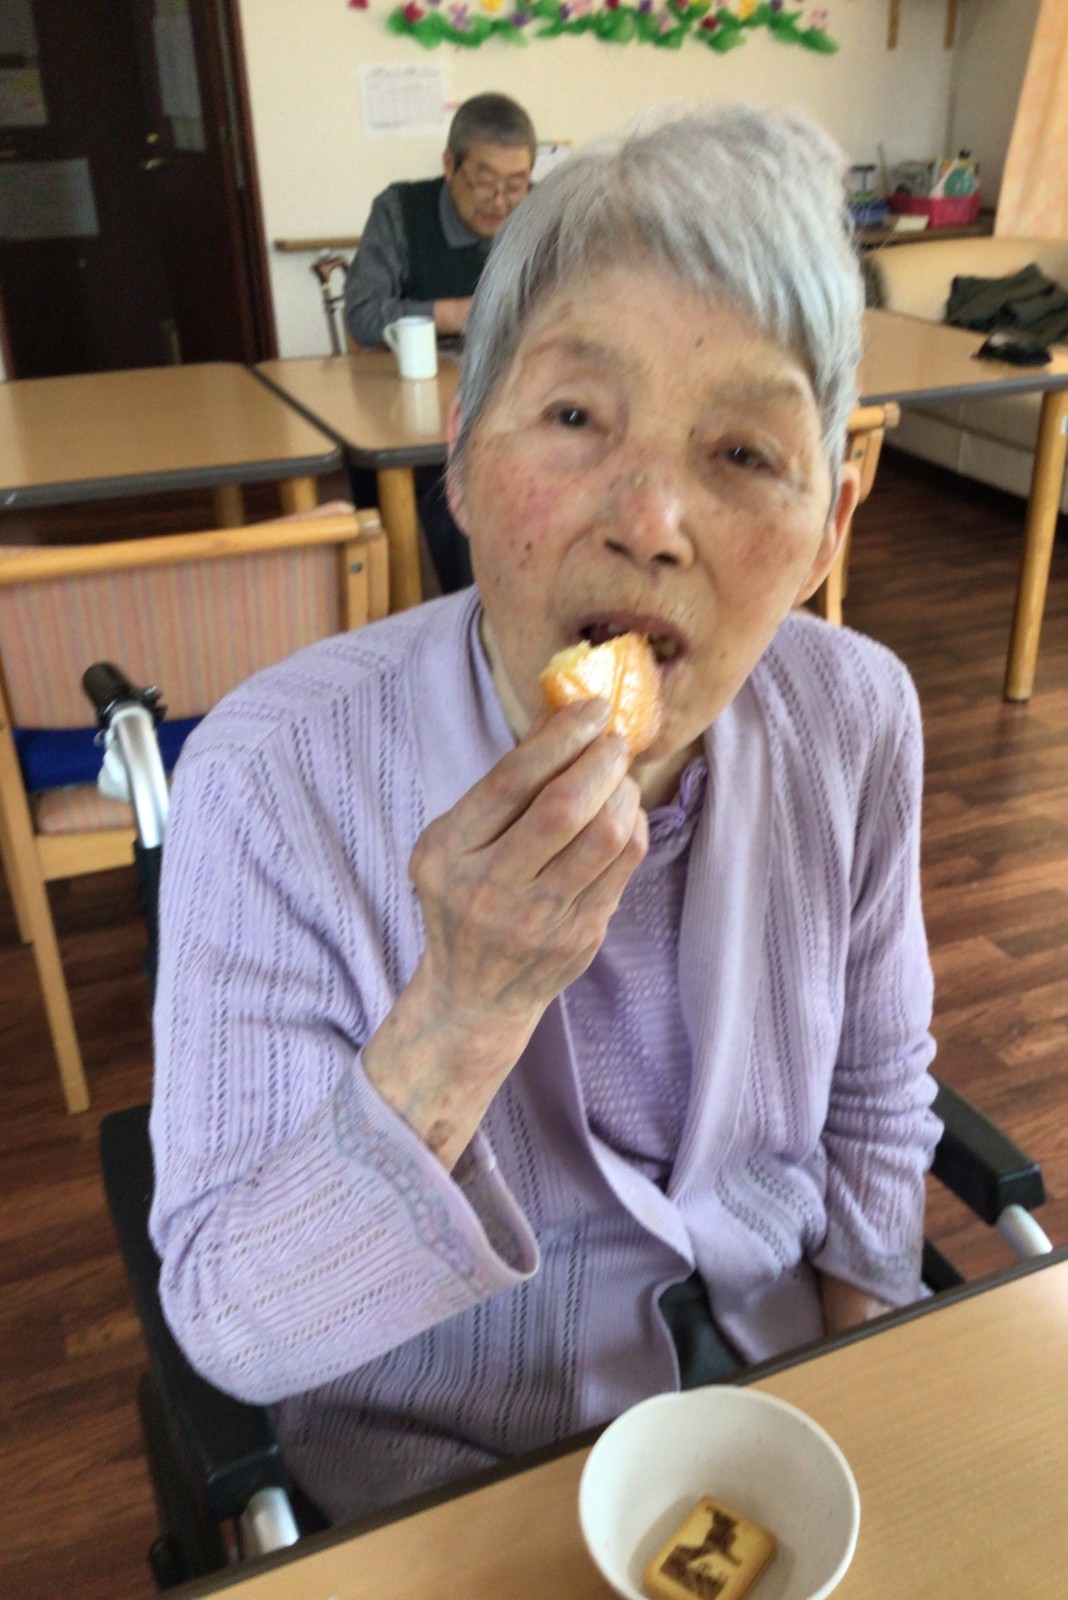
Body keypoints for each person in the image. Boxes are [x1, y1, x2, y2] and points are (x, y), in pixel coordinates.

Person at [150, 105, 941, 1530]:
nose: (649, 521)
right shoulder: (268, 782)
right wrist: (461, 1010)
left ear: (830, 523)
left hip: (768, 1402)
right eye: (575, 417)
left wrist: (860, 1384)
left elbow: (878, 1094)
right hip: (443, 1476)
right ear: (460, 456)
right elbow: (232, 1327)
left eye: (744, 454)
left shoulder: (856, 716)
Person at [343, 91, 537, 350]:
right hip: (422, 372)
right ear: (449, 164)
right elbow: (362, 315)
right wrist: (456, 316)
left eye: (515, 186)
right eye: (485, 182)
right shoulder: (399, 210)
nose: (499, 202)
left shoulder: (546, 213)